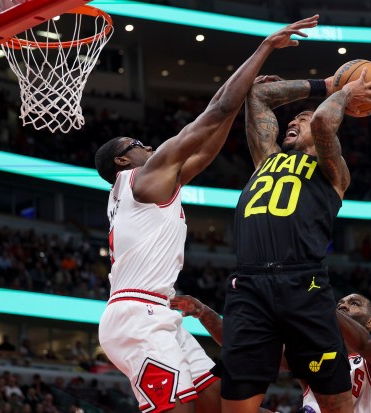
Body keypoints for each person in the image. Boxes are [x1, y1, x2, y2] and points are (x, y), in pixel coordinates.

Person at [94, 15, 321, 413]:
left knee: (220, 405)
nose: (148, 146)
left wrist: (240, 104)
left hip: (158, 313)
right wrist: (264, 48)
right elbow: (213, 113)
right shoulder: (141, 180)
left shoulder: (147, 187)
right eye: (138, 143)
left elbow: (205, 147)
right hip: (137, 316)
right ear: (121, 159)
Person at [219, 71, 371, 413]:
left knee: (333, 401)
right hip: (249, 283)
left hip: (303, 281)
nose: (294, 119)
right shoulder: (266, 160)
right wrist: (324, 86)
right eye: (293, 117)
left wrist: (345, 91)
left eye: (302, 118)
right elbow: (257, 97)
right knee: (236, 400)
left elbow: (325, 121)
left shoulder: (333, 170)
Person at [171, 292, 371, 413]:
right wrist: (203, 312)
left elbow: (365, 345)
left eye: (354, 303)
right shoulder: (314, 349)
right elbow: (245, 348)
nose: (342, 305)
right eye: (340, 302)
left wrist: (319, 302)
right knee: (213, 404)